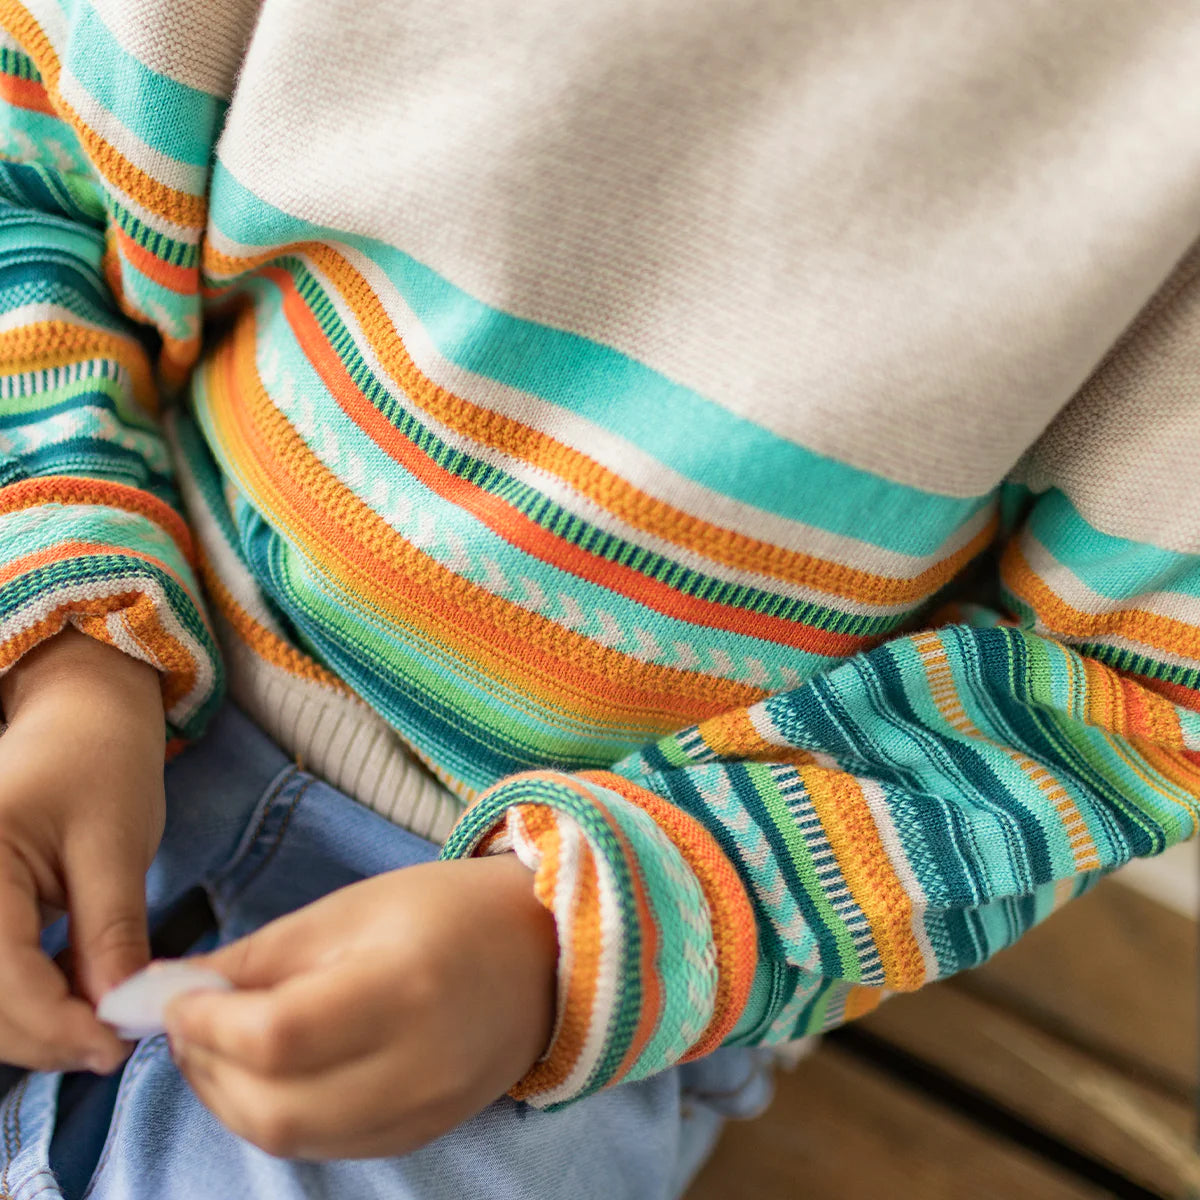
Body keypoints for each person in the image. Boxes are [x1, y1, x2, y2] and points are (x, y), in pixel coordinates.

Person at [1, 0, 1198, 1195]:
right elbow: (35, 152)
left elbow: (1129, 704)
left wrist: (567, 944)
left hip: (608, 930)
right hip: (89, 608)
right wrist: (70, 660)